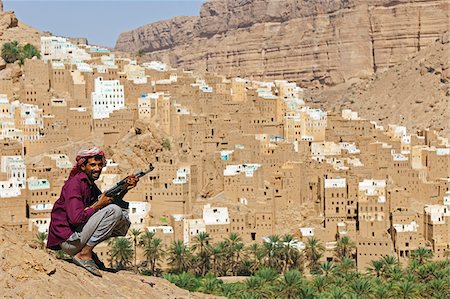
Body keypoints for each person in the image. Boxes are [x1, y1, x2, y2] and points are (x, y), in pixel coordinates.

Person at [47, 147, 139, 277]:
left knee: (120, 217)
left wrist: (124, 188)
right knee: (114, 211)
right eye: (93, 165)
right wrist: (97, 206)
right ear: (83, 167)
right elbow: (76, 219)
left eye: (100, 165)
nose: (97, 168)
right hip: (69, 241)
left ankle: (87, 252)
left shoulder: (89, 184)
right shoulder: (75, 184)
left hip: (77, 237)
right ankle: (84, 254)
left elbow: (107, 203)